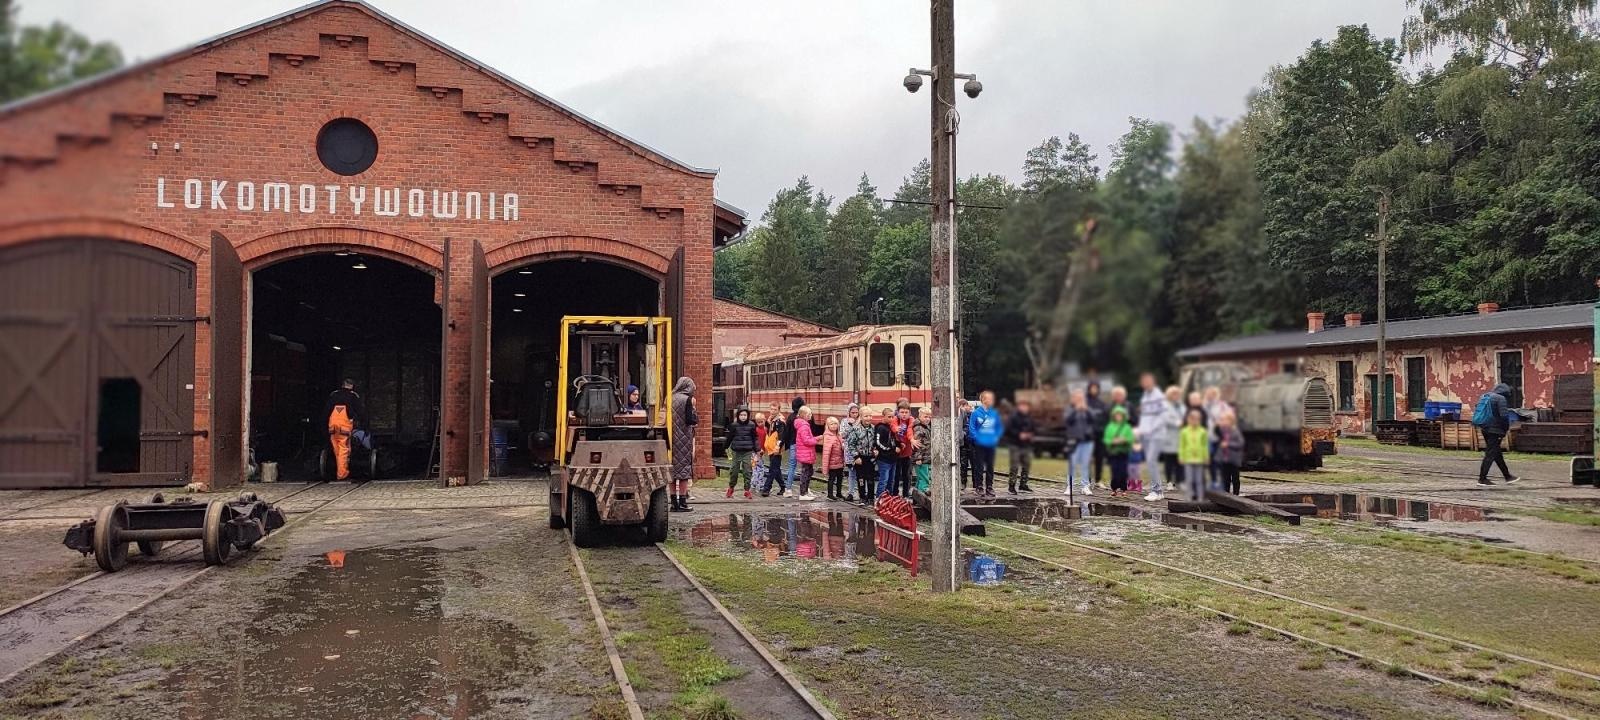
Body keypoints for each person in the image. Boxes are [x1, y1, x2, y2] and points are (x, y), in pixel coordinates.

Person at [1474, 383, 1522, 486]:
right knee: (1491, 453)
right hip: (1495, 430)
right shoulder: (1501, 399)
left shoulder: (1485, 396)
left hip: (1485, 427)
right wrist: (1505, 429)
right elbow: (1504, 416)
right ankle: (1482, 479)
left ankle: (1507, 476)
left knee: (1496, 453)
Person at [324, 378, 367, 481]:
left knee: (336, 449)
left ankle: (339, 469)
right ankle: (342, 474)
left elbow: (326, 411)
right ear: (351, 386)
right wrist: (364, 424)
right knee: (344, 449)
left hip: (332, 426)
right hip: (344, 426)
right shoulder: (353, 396)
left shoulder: (333, 395)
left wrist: (323, 426)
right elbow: (360, 412)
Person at [1133, 374, 1168, 501]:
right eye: (1143, 381)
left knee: (1151, 460)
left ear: (1153, 381)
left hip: (1156, 434)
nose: (1145, 383)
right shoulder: (1145, 397)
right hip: (1146, 434)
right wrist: (1141, 430)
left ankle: (1156, 490)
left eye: (1147, 381)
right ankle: (1159, 491)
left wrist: (1150, 429)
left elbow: (1163, 417)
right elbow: (1145, 417)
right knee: (1150, 462)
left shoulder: (1159, 396)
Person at [966, 391, 1003, 498]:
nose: (991, 400)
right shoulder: (976, 413)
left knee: (990, 466)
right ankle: (979, 486)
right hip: (980, 445)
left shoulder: (994, 413)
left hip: (991, 444)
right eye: (989, 398)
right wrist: (979, 439)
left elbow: (999, 427)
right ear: (983, 400)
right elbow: (971, 429)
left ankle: (990, 487)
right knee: (979, 466)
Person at [670, 377, 698, 512]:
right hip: (684, 439)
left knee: (672, 472)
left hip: (670, 439)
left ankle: (673, 503)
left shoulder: (669, 398)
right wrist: (693, 409)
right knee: (684, 472)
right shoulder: (687, 400)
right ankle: (682, 502)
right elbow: (691, 420)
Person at [1063, 389, 1097, 496]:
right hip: (1074, 441)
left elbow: (1094, 420)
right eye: (1077, 398)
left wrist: (1086, 410)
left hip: (1087, 441)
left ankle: (1085, 486)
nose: (1079, 400)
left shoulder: (1088, 409)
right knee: (1072, 464)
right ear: (1073, 398)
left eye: (1081, 398)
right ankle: (1070, 486)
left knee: (1085, 464)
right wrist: (1075, 411)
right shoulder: (1070, 409)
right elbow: (1067, 421)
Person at [843, 404, 874, 504]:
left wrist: (876, 450)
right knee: (861, 478)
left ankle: (870, 497)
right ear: (861, 416)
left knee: (870, 478)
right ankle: (862, 496)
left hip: (870, 457)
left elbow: (876, 442)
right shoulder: (855, 429)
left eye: (870, 416)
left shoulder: (873, 429)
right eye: (866, 416)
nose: (868, 418)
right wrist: (856, 456)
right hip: (860, 458)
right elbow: (851, 444)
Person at [1103, 406, 1135, 498]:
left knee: (1123, 471)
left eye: (1120, 415)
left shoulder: (1127, 427)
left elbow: (1130, 438)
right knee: (1114, 471)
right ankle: (1114, 489)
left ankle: (1124, 489)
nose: (1118, 417)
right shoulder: (1110, 427)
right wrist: (1113, 441)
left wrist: (1124, 440)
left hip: (1123, 452)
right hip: (1113, 453)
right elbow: (1106, 439)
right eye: (1117, 415)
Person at [1178, 408, 1209, 502]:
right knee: (1189, 480)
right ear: (1188, 419)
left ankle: (1200, 497)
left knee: (1199, 480)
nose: (1194, 421)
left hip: (1199, 459)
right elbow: (1182, 445)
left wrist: (1206, 456)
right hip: (1188, 458)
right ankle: (1189, 497)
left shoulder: (1203, 431)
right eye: (1192, 419)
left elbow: (1204, 445)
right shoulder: (1184, 432)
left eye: (1197, 419)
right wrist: (1181, 457)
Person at [1005, 400, 1037, 494]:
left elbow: (1033, 428)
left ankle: (1023, 485)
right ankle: (1011, 486)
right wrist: (1019, 434)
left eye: (1026, 406)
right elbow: (1008, 429)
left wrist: (1031, 435)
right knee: (1014, 466)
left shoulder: (1029, 417)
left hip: (1026, 445)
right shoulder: (1013, 417)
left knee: (1026, 465)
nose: (1025, 408)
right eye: (1023, 406)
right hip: (1015, 444)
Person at [1159, 386, 1185, 498]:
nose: (1176, 396)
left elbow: (1186, 417)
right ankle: (1169, 482)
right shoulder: (1165, 406)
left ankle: (1179, 481)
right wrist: (1176, 423)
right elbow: (1164, 419)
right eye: (1173, 394)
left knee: (1180, 461)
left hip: (1181, 437)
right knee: (1169, 461)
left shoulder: (1181, 406)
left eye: (1177, 394)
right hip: (1169, 437)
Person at [725, 407, 757, 499]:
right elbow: (729, 437)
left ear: (748, 416)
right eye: (741, 415)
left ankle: (747, 490)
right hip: (736, 451)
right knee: (734, 471)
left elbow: (754, 438)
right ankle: (731, 488)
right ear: (738, 416)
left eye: (745, 415)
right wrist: (726, 447)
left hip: (747, 450)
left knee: (747, 471)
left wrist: (757, 449)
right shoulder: (734, 425)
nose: (743, 417)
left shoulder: (751, 425)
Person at [839, 404, 866, 503]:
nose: (854, 414)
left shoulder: (862, 422)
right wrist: (851, 426)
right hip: (849, 450)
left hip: (859, 450)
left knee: (861, 473)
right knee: (851, 472)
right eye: (852, 412)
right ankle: (851, 492)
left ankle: (862, 492)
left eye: (856, 412)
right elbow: (843, 434)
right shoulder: (844, 422)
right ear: (849, 413)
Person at [1214, 411, 1245, 495]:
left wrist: (1229, 444)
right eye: (1222, 420)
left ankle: (1236, 494)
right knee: (1225, 479)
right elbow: (1216, 432)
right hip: (1225, 459)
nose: (1224, 422)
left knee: (1235, 478)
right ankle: (1226, 494)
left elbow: (1240, 443)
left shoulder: (1235, 431)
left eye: (1226, 420)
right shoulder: (1221, 431)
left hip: (1234, 460)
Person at [873, 407, 900, 498]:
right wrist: (891, 449)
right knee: (883, 480)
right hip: (884, 459)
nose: (891, 419)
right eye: (889, 417)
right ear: (883, 416)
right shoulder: (880, 427)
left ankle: (888, 499)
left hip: (892, 458)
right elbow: (878, 442)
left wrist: (899, 446)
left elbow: (895, 440)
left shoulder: (891, 428)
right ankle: (879, 498)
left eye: (893, 417)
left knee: (891, 481)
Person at [1087, 382, 1110, 485]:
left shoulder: (1102, 404)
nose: (1094, 390)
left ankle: (1098, 480)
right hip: (1088, 435)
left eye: (1096, 388)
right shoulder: (1085, 402)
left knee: (1099, 457)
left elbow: (1106, 418)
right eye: (1092, 388)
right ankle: (1086, 481)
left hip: (1100, 435)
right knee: (1087, 458)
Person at [793, 406, 818, 500]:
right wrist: (817, 439)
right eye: (809, 414)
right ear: (803, 415)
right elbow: (806, 441)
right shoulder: (804, 427)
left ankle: (806, 491)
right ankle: (803, 494)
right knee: (805, 473)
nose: (811, 416)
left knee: (809, 472)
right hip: (805, 453)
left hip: (806, 453)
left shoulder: (804, 425)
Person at [762, 407, 787, 497]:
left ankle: (766, 488)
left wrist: (778, 447)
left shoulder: (780, 422)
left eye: (775, 409)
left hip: (776, 449)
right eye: (771, 409)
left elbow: (781, 436)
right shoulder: (771, 421)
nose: (772, 411)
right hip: (771, 448)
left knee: (772, 469)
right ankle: (783, 487)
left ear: (778, 410)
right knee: (776, 469)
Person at [892, 405, 916, 497]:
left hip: (907, 452)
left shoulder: (911, 420)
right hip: (897, 452)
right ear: (898, 412)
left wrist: (911, 439)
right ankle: (895, 493)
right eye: (902, 412)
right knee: (896, 475)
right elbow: (893, 426)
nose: (904, 414)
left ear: (909, 413)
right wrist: (896, 429)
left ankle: (906, 493)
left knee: (907, 475)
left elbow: (909, 430)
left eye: (906, 412)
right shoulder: (895, 419)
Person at [782, 396, 805, 492]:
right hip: (804, 445)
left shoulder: (791, 417)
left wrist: (782, 444)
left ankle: (788, 488)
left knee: (792, 466)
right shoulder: (805, 416)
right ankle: (804, 488)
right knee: (805, 467)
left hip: (793, 444)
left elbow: (786, 432)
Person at [821, 416, 846, 500]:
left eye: (835, 424)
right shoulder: (828, 436)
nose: (834, 426)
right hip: (832, 462)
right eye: (831, 424)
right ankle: (830, 494)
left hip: (840, 461)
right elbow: (826, 453)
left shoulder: (839, 435)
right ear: (828, 426)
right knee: (832, 478)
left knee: (840, 477)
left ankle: (839, 493)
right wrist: (825, 467)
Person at [912, 406, 933, 494]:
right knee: (924, 476)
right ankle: (923, 491)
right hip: (922, 457)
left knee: (921, 477)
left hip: (927, 456)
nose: (927, 419)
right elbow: (917, 445)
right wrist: (918, 458)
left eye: (929, 417)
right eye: (925, 417)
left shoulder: (926, 427)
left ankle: (916, 494)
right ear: (920, 416)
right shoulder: (919, 429)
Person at [957, 398, 974, 490]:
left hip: (970, 443)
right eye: (967, 405)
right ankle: (963, 483)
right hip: (963, 444)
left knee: (973, 464)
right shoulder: (960, 414)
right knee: (963, 464)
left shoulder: (971, 415)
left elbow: (966, 426)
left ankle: (975, 484)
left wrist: (964, 432)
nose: (969, 407)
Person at [751, 411, 769, 495]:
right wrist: (758, 450)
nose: (760, 423)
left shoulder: (765, 429)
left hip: (761, 452)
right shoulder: (756, 430)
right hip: (756, 452)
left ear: (764, 420)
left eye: (762, 422)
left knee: (758, 468)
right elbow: (755, 441)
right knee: (758, 469)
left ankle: (755, 485)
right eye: (758, 422)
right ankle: (758, 485)